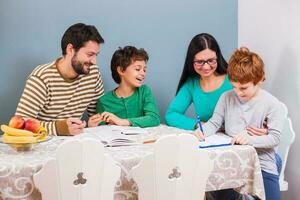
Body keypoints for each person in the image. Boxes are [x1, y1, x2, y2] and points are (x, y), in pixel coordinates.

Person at [195, 47, 285, 200]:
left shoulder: (272, 104)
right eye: (234, 87)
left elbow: (275, 138)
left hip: (262, 163)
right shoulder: (226, 97)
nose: (238, 93)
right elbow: (214, 123)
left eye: (243, 88)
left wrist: (249, 140)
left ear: (260, 79)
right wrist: (202, 132)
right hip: (231, 164)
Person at [15, 23, 105, 136]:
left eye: (96, 55)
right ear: (70, 49)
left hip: (76, 143)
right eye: (90, 54)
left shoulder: (93, 73)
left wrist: (95, 122)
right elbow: (20, 124)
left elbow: (97, 114)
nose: (94, 61)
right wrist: (59, 128)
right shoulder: (42, 78)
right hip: (42, 144)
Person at [165, 33, 232, 129]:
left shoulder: (233, 79)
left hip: (238, 137)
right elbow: (171, 115)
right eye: (200, 62)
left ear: (218, 57)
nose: (206, 67)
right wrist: (199, 125)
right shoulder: (191, 84)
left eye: (211, 60)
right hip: (209, 138)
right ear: (191, 61)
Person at [88, 46, 160, 128]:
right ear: (121, 70)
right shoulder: (104, 101)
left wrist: (122, 122)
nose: (143, 73)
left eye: (144, 70)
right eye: (137, 69)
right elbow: (101, 130)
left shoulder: (144, 91)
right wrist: (92, 126)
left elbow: (154, 119)